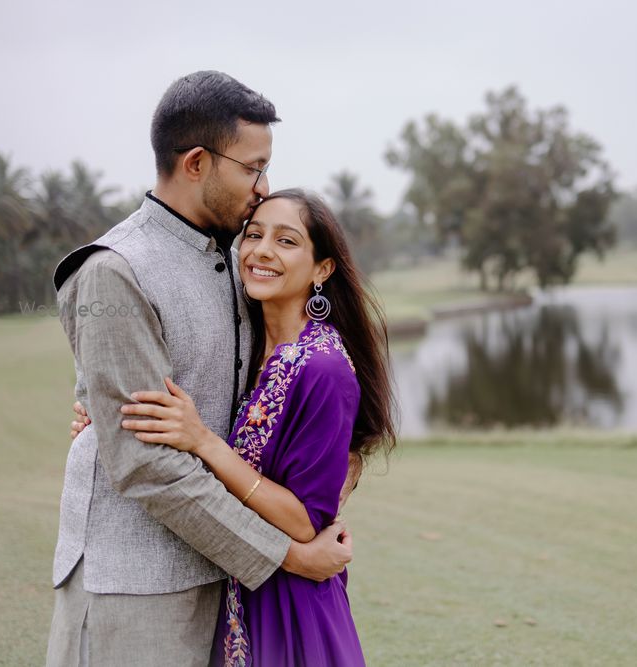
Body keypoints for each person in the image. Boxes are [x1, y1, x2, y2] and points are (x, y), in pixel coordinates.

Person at [46, 72, 353, 667]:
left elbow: (301, 394)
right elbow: (149, 467)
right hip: (136, 586)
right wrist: (290, 554)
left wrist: (334, 483)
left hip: (226, 585)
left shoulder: (240, 260)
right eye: (252, 168)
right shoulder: (115, 271)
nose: (263, 189)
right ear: (195, 162)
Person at [70, 189, 396, 665]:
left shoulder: (323, 370)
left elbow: (306, 521)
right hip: (240, 593)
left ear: (322, 269)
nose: (262, 250)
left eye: (286, 242)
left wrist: (201, 440)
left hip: (292, 609)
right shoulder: (250, 344)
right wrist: (104, 421)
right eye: (254, 235)